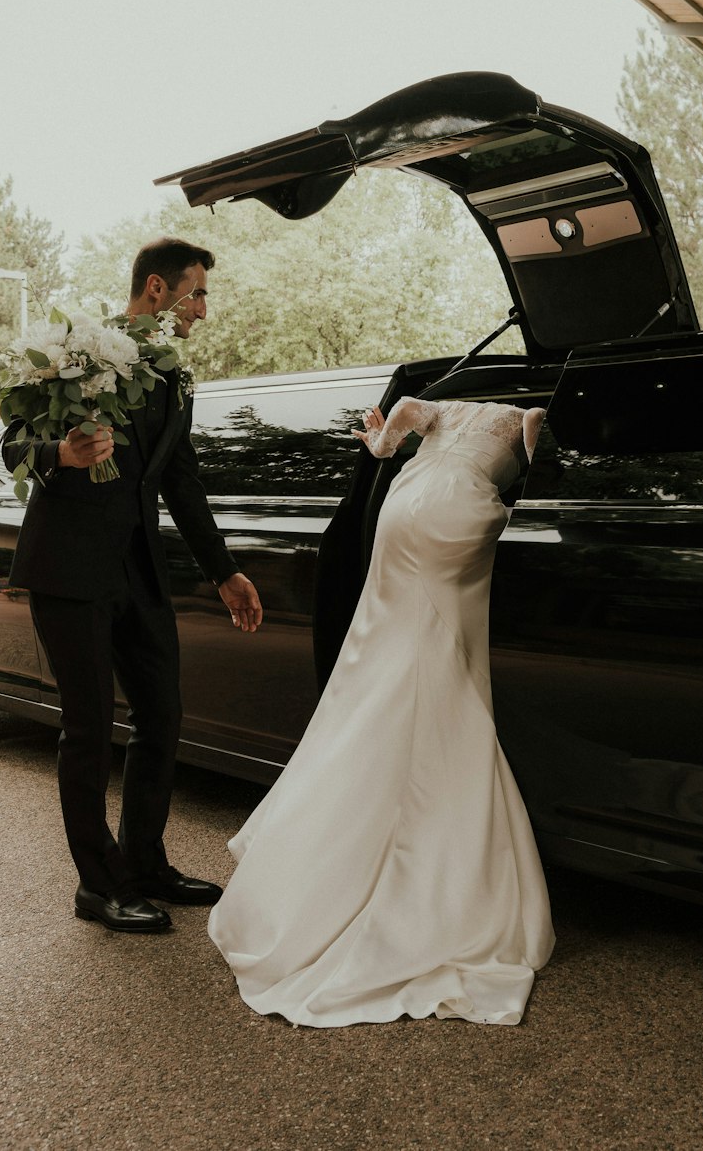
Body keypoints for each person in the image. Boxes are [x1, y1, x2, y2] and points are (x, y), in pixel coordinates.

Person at [208, 394, 555, 1027]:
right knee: (443, 661)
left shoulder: (445, 400)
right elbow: (541, 467)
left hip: (405, 501)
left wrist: (382, 448)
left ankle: (316, 856)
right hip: (462, 514)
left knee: (390, 649)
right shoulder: (528, 414)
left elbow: (408, 409)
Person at [0, 237, 263, 934]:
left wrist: (223, 570)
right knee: (87, 730)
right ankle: (98, 884)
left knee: (162, 715)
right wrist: (60, 452)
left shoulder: (175, 378)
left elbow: (181, 480)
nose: (203, 310)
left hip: (139, 569)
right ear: (156, 289)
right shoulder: (76, 351)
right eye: (197, 293)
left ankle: (144, 863)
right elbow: (12, 445)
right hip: (69, 569)